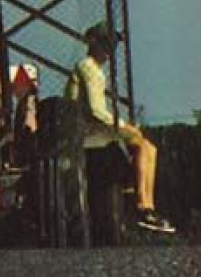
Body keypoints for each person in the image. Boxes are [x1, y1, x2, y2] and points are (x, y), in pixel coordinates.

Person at [66, 23, 175, 234]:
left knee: (148, 147)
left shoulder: (93, 70)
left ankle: (145, 202)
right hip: (88, 131)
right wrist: (124, 127)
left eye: (113, 44)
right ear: (94, 43)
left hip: (91, 129)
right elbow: (96, 111)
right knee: (143, 146)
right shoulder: (88, 68)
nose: (110, 49)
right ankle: (143, 207)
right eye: (106, 43)